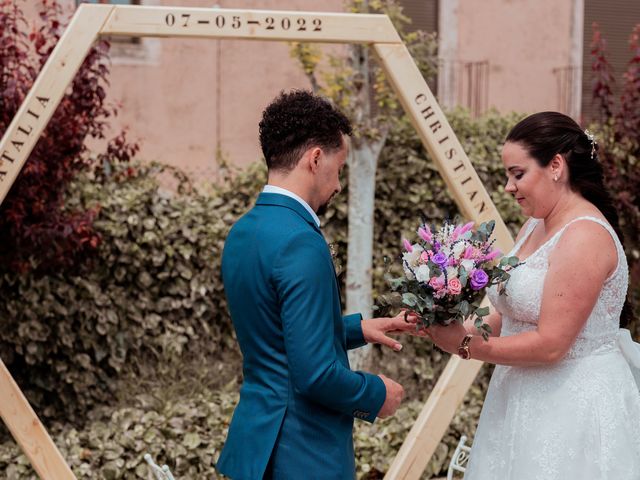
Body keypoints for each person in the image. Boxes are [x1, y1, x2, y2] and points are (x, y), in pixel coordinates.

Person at [427, 111, 640, 479]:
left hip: (573, 410)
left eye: (518, 174)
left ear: (556, 166)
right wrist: (438, 323)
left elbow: (552, 345)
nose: (509, 187)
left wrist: (465, 345)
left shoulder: (584, 236)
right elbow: (510, 313)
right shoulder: (535, 225)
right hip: (518, 401)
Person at [216, 90, 416, 480]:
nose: (338, 184)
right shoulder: (301, 241)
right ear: (315, 158)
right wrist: (377, 395)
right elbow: (315, 375)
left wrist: (358, 328)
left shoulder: (243, 232)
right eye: (339, 168)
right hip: (303, 453)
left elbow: (278, 337)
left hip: (257, 445)